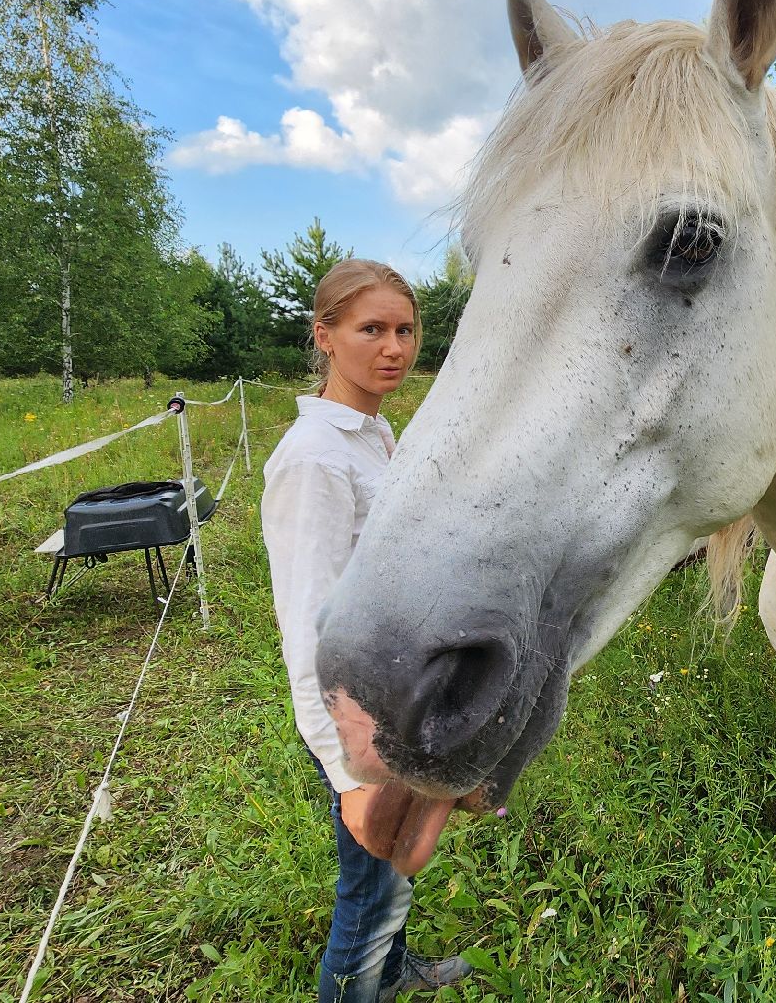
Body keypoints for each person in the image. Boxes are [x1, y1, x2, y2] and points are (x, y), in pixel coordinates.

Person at [260, 259, 472, 1001]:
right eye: (370, 329)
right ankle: (359, 983)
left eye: (405, 330)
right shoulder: (315, 459)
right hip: (358, 718)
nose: (394, 348)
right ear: (324, 336)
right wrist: (345, 770)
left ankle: (394, 969)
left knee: (394, 864)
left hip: (397, 695)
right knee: (370, 891)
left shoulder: (374, 436)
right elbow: (304, 623)